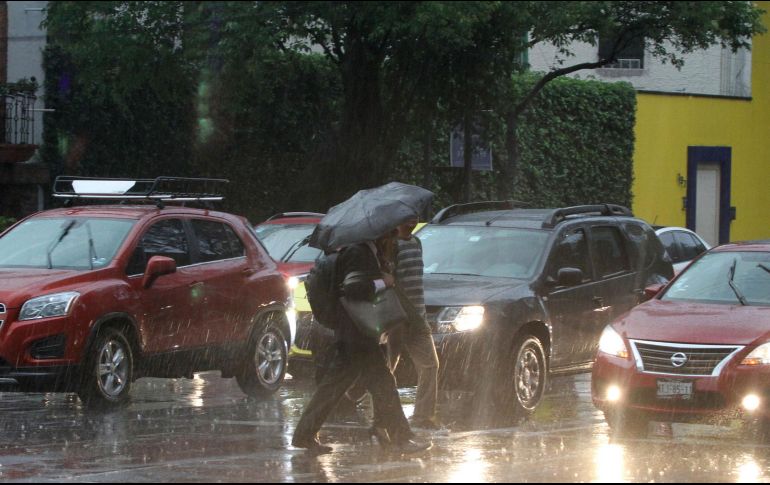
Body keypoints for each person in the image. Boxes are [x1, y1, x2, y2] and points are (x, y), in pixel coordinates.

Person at [291, 231, 431, 454]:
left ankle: (304, 435)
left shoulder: (361, 250)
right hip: (357, 334)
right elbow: (354, 288)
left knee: (332, 388)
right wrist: (382, 281)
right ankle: (401, 438)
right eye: (391, 233)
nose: (394, 238)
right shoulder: (358, 252)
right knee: (383, 385)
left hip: (352, 334)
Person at [386, 217, 442, 429]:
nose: (411, 223)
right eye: (406, 220)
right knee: (388, 367)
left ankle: (422, 417)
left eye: (414, 219)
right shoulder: (393, 246)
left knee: (430, 365)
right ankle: (378, 412)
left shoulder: (416, 243)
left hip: (419, 316)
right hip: (399, 317)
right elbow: (390, 282)